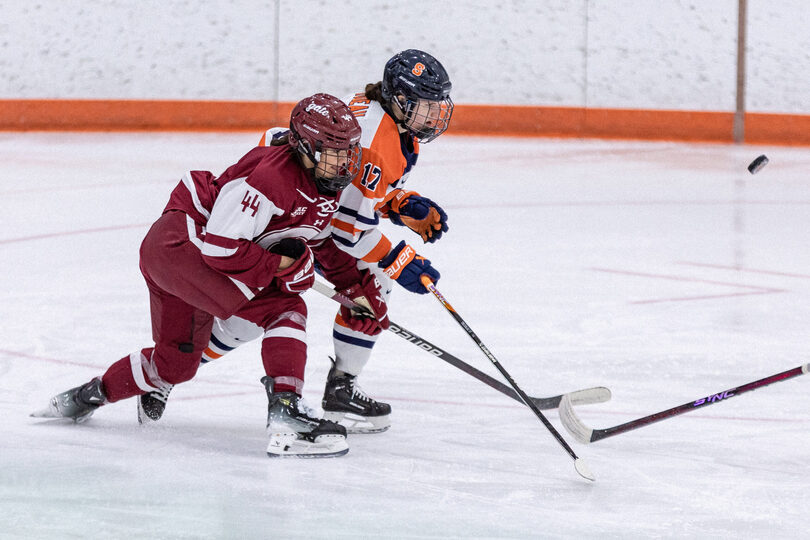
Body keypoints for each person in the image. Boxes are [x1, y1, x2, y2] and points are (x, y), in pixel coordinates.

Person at [32, 93, 388, 458]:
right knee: (284, 307)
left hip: (178, 255)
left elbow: (320, 237)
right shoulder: (270, 179)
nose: (345, 161)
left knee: (176, 364)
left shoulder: (321, 179)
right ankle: (287, 413)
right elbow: (220, 248)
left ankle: (83, 397)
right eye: (334, 151)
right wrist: (282, 267)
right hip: (183, 247)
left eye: (349, 150)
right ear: (306, 146)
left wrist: (354, 289)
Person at [139, 49, 453, 434]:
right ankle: (338, 390)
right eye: (425, 106)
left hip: (308, 214)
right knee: (353, 290)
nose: (435, 115)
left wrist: (398, 203)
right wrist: (399, 260)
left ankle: (173, 372)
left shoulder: (384, 118)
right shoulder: (376, 140)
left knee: (258, 317)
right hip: (301, 220)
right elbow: (346, 229)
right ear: (400, 100)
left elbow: (354, 190)